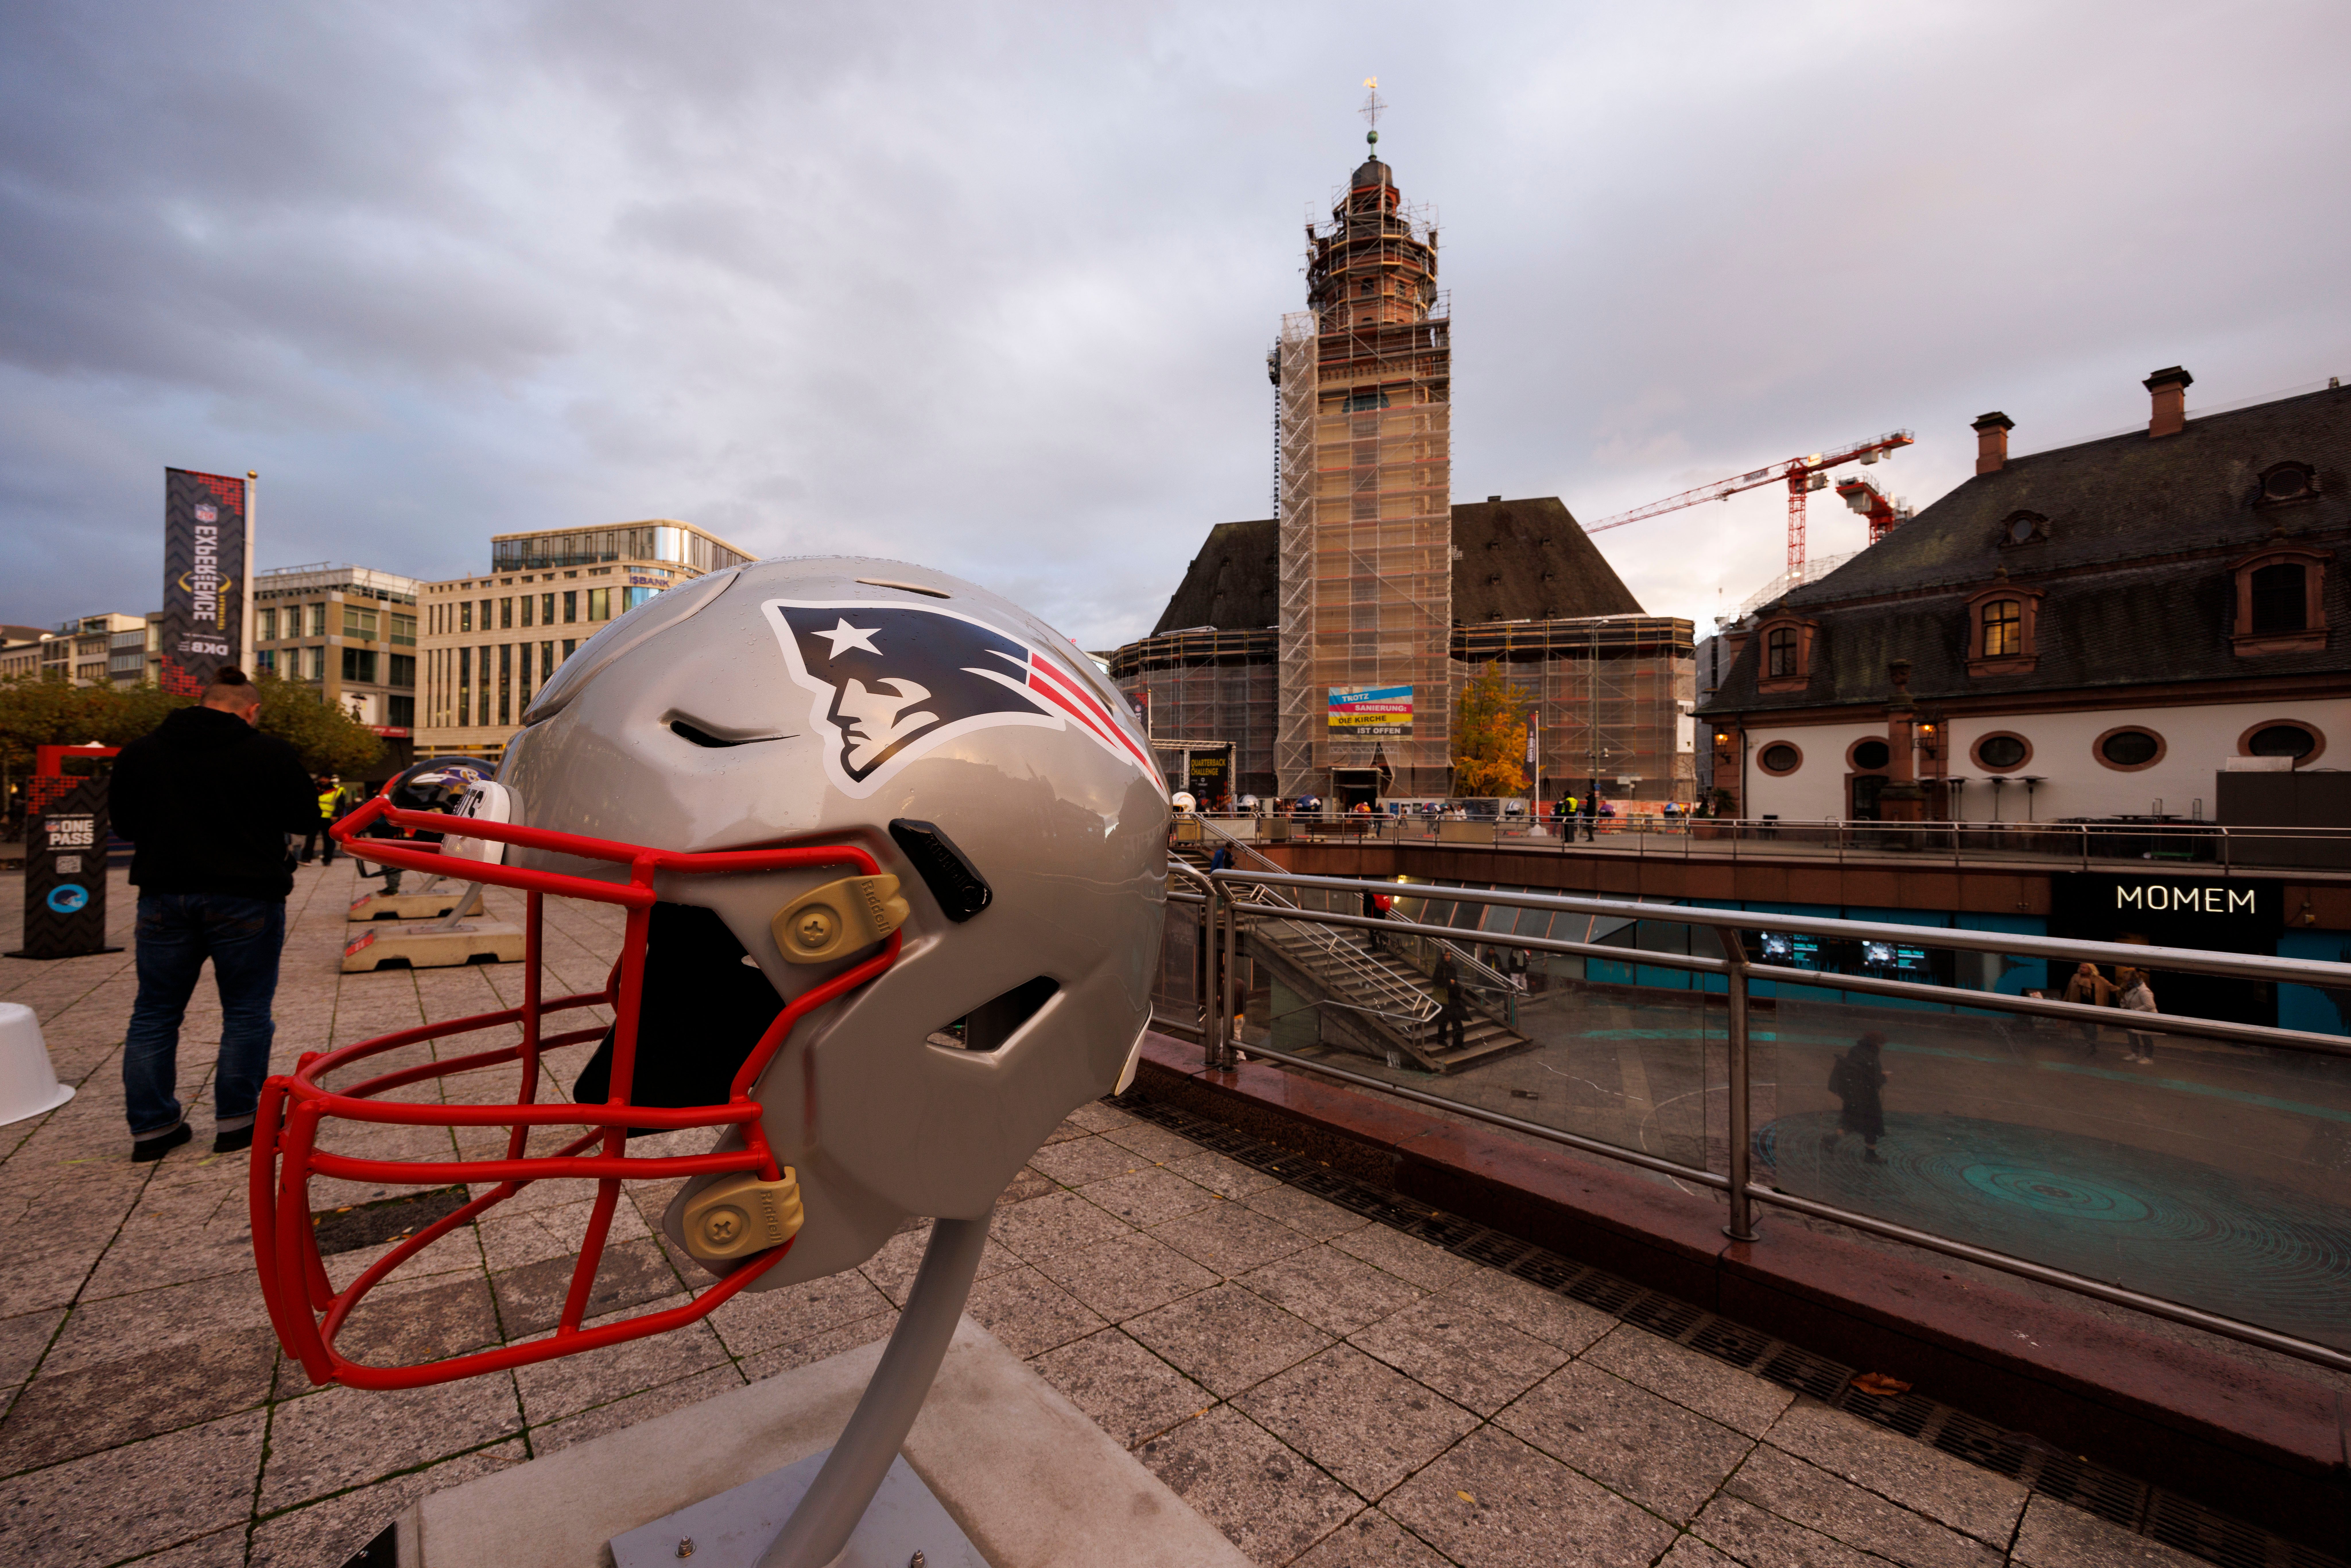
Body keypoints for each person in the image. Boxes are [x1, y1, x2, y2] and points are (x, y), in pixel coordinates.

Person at [111, 668, 318, 1161]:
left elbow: (124, 823)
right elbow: (305, 818)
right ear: (252, 709)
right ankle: (238, 1121)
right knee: (246, 1010)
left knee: (155, 1013)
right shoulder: (267, 751)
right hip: (247, 894)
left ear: (203, 701)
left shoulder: (140, 751)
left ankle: (152, 1127)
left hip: (164, 894)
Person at [1822, 1031, 1890, 1163]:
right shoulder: (1872, 1058)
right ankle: (1871, 1155)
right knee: (1872, 1124)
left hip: (1852, 1096)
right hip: (1867, 1099)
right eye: (1882, 1044)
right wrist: (1884, 1077)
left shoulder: (1855, 1051)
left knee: (1850, 1121)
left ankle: (1832, 1140)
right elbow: (1875, 1081)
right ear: (1877, 1044)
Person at [2062, 961, 2117, 1055]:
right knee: (2083, 1026)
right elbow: (2069, 991)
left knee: (2091, 1027)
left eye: (2084, 968)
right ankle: (2090, 1043)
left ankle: (2092, 1045)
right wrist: (2063, 1003)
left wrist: (2125, 990)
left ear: (2090, 969)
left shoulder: (2099, 980)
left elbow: (2111, 988)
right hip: (2079, 1007)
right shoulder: (2076, 978)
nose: (2081, 969)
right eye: (2081, 967)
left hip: (2093, 1009)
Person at [2118, 967, 2160, 1063]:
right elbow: (2125, 1000)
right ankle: (2135, 1054)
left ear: (2133, 980)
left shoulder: (2143, 991)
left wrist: (2135, 1011)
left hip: (2145, 1017)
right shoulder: (2129, 989)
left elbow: (2150, 1005)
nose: (2125, 982)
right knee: (2132, 1035)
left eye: (2127, 980)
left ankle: (2149, 1058)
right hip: (2134, 1017)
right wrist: (2124, 1007)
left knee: (2146, 1037)